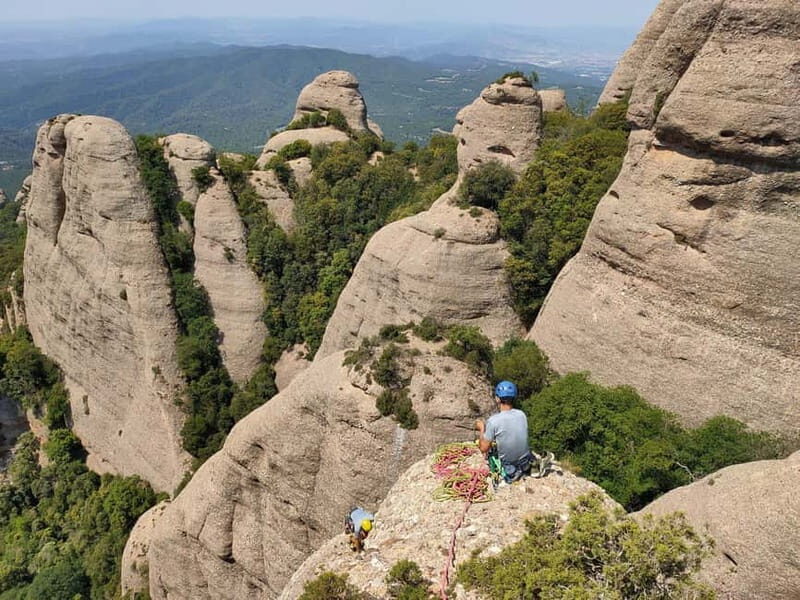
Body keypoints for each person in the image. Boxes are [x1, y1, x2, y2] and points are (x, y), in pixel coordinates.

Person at [475, 380, 535, 483]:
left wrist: (482, 429)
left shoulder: (493, 421)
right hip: (526, 462)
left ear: (497, 399)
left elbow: (483, 448)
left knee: (490, 451)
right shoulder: (521, 414)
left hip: (510, 467)